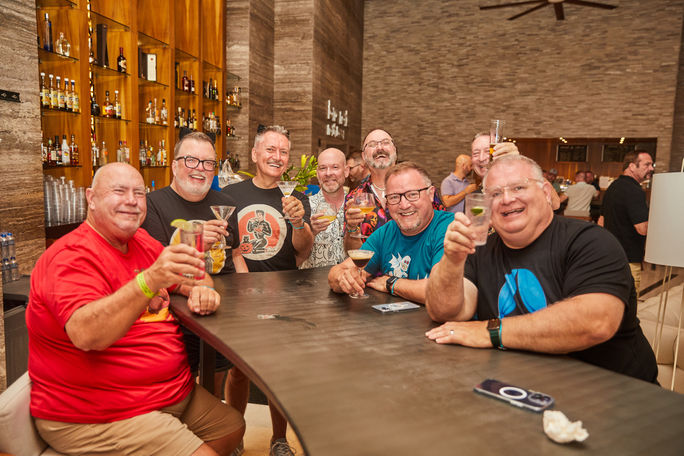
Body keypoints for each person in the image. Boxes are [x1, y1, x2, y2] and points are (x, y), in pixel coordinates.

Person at [26, 163, 245, 456]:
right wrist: (150, 280)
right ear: (91, 198)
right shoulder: (70, 256)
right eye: (119, 191)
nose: (131, 200)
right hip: (96, 412)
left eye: (139, 193)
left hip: (167, 393)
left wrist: (203, 288)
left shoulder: (140, 241)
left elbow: (193, 275)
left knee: (231, 426)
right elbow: (87, 334)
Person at [424, 155, 657, 383]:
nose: (506, 199)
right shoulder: (480, 249)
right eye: (495, 193)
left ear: (546, 192)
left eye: (518, 188)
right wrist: (451, 260)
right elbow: (444, 312)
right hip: (522, 387)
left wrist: (490, 331)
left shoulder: (591, 241)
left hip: (617, 394)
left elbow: (596, 322)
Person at [141, 131, 249, 453]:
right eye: (191, 160)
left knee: (218, 374)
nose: (199, 168)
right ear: (174, 165)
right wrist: (197, 240)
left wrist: (249, 290)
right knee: (184, 377)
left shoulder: (227, 204)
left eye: (208, 162)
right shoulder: (153, 204)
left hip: (224, 303)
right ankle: (187, 441)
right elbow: (155, 263)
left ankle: (217, 435)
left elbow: (236, 254)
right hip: (176, 306)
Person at [222, 125, 312, 456]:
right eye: (271, 150)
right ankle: (233, 435)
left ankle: (278, 440)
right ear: (255, 154)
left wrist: (299, 224)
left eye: (284, 152)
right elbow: (230, 248)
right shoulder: (231, 194)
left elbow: (303, 252)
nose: (277, 157)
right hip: (242, 292)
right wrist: (247, 288)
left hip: (284, 295)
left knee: (278, 371)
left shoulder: (296, 198)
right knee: (239, 371)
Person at [329, 162, 453, 304]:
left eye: (412, 194)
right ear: (387, 202)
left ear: (430, 194)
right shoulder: (386, 233)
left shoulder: (449, 229)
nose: (404, 205)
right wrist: (344, 279)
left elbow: (442, 292)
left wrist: (392, 283)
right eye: (394, 197)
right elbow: (336, 274)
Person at [344, 129, 445, 251]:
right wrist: (352, 228)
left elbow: (442, 229)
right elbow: (353, 253)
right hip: (370, 268)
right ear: (364, 156)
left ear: (395, 151)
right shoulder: (353, 198)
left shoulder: (421, 187)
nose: (379, 148)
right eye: (372, 144)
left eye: (385, 142)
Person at [598, 150, 654, 295]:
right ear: (631, 166)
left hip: (609, 257)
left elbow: (601, 221)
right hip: (628, 260)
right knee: (628, 305)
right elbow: (642, 228)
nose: (651, 168)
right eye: (647, 164)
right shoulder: (634, 191)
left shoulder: (613, 187)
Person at [300, 147, 349, 268]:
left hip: (351, 282)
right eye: (323, 168)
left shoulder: (356, 205)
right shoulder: (303, 207)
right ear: (317, 173)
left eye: (335, 167)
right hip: (313, 284)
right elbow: (295, 254)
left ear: (346, 171)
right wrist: (311, 232)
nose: (328, 173)